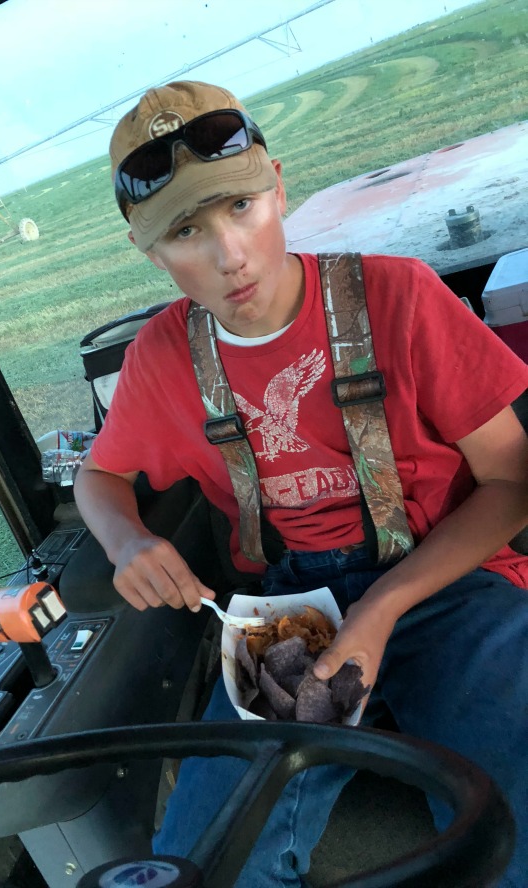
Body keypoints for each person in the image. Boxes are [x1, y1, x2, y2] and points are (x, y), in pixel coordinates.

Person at [74, 80, 528, 886]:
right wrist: (127, 537)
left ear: (279, 187)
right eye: (186, 230)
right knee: (205, 860)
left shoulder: (401, 298)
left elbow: (512, 483)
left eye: (241, 208)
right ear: (151, 253)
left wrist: (384, 607)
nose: (229, 255)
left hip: (447, 581)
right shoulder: (161, 361)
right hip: (284, 618)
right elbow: (99, 475)